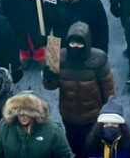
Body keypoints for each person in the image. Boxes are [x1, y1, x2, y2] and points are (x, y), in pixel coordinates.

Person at [44, 21, 115, 155]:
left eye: (79, 43)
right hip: (69, 115)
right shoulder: (57, 56)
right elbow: (50, 86)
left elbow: (108, 89)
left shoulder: (98, 59)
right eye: (72, 43)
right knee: (74, 144)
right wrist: (49, 76)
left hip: (92, 116)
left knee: (93, 146)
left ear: (86, 43)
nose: (75, 47)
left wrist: (109, 113)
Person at [0, 92, 72, 158]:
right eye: (20, 114)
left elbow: (64, 154)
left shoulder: (53, 130)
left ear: (35, 114)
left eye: (27, 114)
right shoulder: (5, 126)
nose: (23, 117)